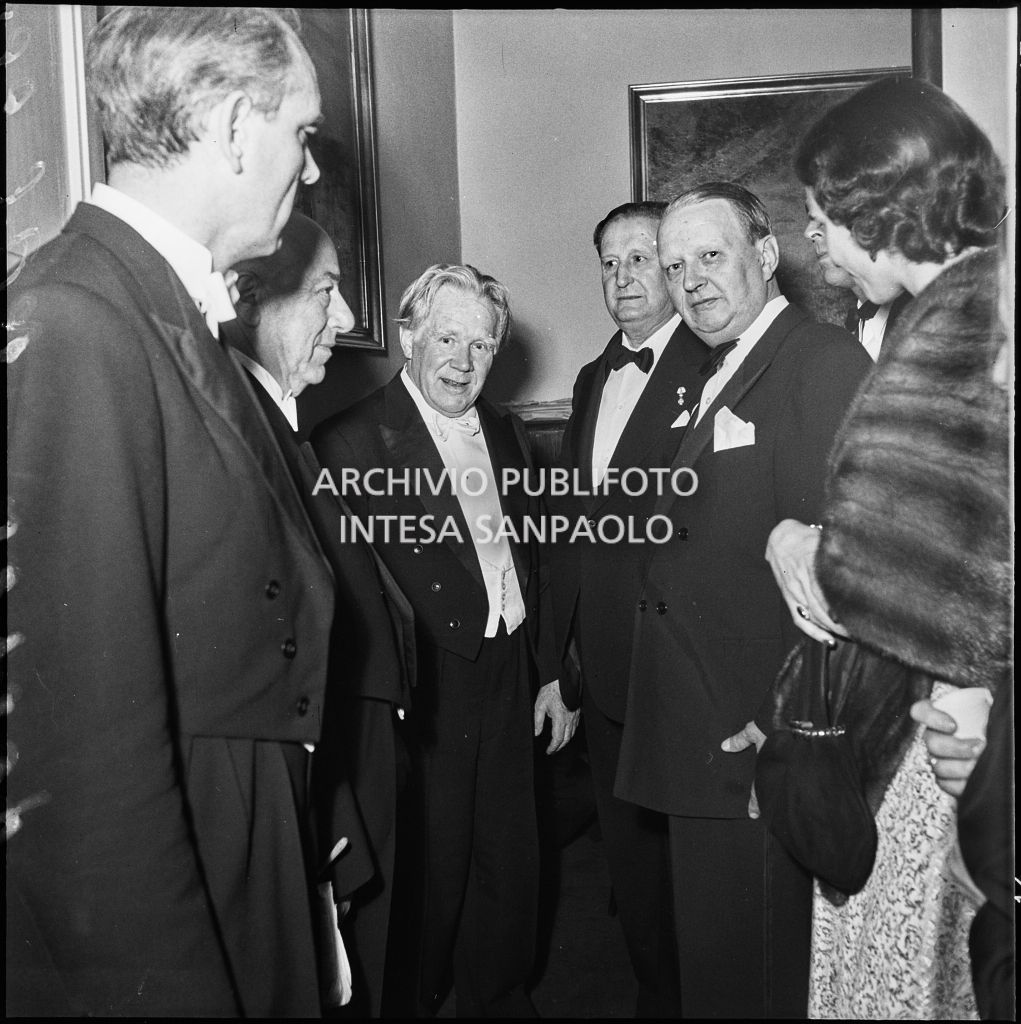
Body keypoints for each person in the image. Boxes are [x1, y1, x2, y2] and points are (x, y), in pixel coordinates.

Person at [5, 8, 335, 1016]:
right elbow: (79, 756)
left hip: (235, 842)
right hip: (178, 889)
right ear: (236, 127)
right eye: (303, 137)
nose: (311, 171)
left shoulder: (150, 301)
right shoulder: (77, 316)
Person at [761, 77, 1010, 1019]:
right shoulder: (948, 311)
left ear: (881, 208)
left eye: (826, 220)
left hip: (936, 744)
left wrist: (796, 540)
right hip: (928, 727)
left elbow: (903, 567)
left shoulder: (967, 325)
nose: (822, 254)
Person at [613, 182, 871, 1018]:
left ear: (764, 256)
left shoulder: (819, 360)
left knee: (751, 981)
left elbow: (847, 568)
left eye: (711, 256)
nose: (689, 281)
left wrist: (781, 723)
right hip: (697, 735)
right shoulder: (710, 372)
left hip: (750, 739)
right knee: (720, 978)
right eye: (674, 263)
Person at [312, 263, 577, 1017]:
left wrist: (551, 673)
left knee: (508, 855)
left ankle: (498, 997)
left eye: (482, 345)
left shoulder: (506, 430)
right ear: (408, 337)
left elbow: (533, 561)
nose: (462, 362)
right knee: (428, 869)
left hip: (508, 668)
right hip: (420, 682)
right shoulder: (349, 441)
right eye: (447, 338)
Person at [225, 210, 418, 1016]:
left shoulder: (278, 420)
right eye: (328, 293)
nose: (344, 320)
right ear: (253, 300)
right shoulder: (244, 427)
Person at [553, 200, 706, 1016]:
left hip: (683, 669)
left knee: (695, 870)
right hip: (605, 669)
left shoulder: (718, 361)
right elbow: (569, 537)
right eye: (608, 264)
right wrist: (556, 665)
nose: (622, 279)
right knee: (631, 869)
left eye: (640, 259)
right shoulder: (589, 378)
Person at [804, 205, 910, 361]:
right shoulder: (851, 331)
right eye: (812, 218)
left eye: (826, 218)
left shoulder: (921, 324)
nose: (809, 233)